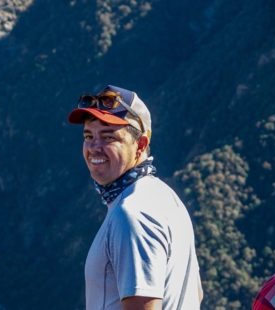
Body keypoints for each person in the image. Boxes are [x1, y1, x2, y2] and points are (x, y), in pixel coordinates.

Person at [68, 85, 203, 310]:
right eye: (88, 136)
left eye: (108, 137)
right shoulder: (166, 199)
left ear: (140, 145)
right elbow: (195, 293)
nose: (93, 148)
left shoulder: (132, 214)